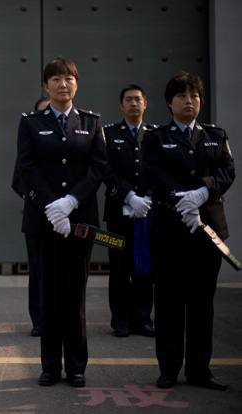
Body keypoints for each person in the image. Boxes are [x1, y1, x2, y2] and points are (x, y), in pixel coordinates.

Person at [15, 58, 107, 387]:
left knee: (75, 296)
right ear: (46, 85)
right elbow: (27, 168)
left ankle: (77, 366)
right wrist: (52, 207)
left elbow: (99, 167)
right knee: (49, 295)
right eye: (55, 79)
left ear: (76, 84)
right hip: (44, 223)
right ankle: (51, 366)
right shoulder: (30, 123)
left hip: (79, 222)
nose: (62, 84)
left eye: (69, 78)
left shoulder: (92, 123)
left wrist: (72, 201)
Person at [142, 72, 235, 391]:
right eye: (181, 96)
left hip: (207, 232)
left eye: (194, 96)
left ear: (201, 101)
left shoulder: (216, 135)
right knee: (168, 302)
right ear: (170, 102)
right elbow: (152, 172)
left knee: (201, 304)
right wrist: (182, 198)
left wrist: (203, 192)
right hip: (169, 231)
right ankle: (168, 369)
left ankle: (199, 369)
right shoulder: (155, 137)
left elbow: (228, 171)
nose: (189, 101)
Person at [103, 85, 156, 338]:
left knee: (145, 267)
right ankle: (120, 320)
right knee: (119, 268)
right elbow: (105, 169)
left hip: (148, 212)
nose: (133, 103)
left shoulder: (156, 135)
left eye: (138, 99)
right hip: (118, 213)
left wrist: (148, 196)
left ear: (145, 103)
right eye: (128, 100)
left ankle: (142, 319)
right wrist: (129, 196)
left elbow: (162, 169)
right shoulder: (109, 134)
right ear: (121, 105)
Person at [12, 96, 50, 337]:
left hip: (67, 216)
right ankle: (39, 320)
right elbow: (18, 181)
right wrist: (39, 200)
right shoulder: (30, 139)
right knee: (38, 272)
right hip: (37, 216)